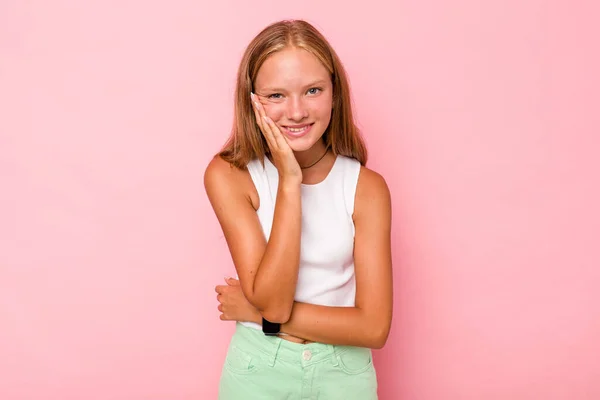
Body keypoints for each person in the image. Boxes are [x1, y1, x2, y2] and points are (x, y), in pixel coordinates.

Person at [204, 19, 393, 400]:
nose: (296, 111)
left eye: (312, 90)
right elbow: (273, 299)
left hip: (345, 374)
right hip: (259, 370)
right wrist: (289, 181)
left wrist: (258, 316)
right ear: (252, 100)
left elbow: (374, 328)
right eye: (276, 95)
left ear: (334, 93)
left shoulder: (366, 188)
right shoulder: (229, 174)